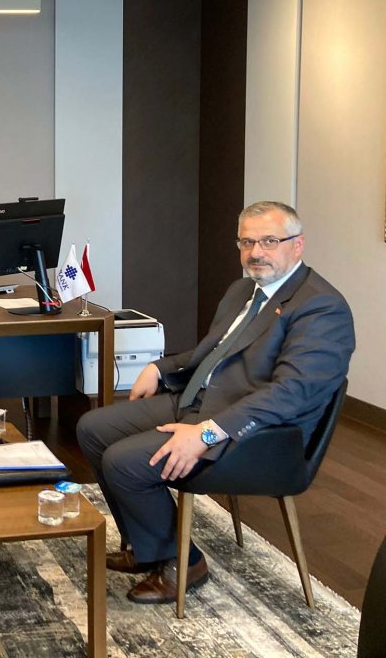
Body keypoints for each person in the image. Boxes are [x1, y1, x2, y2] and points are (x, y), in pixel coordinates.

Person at [77, 201, 355, 604]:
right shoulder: (243, 290)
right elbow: (212, 351)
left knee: (124, 462)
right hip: (203, 400)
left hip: (260, 436)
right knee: (93, 429)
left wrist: (207, 433)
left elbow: (291, 394)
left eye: (269, 241)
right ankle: (144, 545)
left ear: (297, 245)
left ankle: (184, 562)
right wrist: (160, 367)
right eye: (247, 242)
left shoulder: (321, 307)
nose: (256, 252)